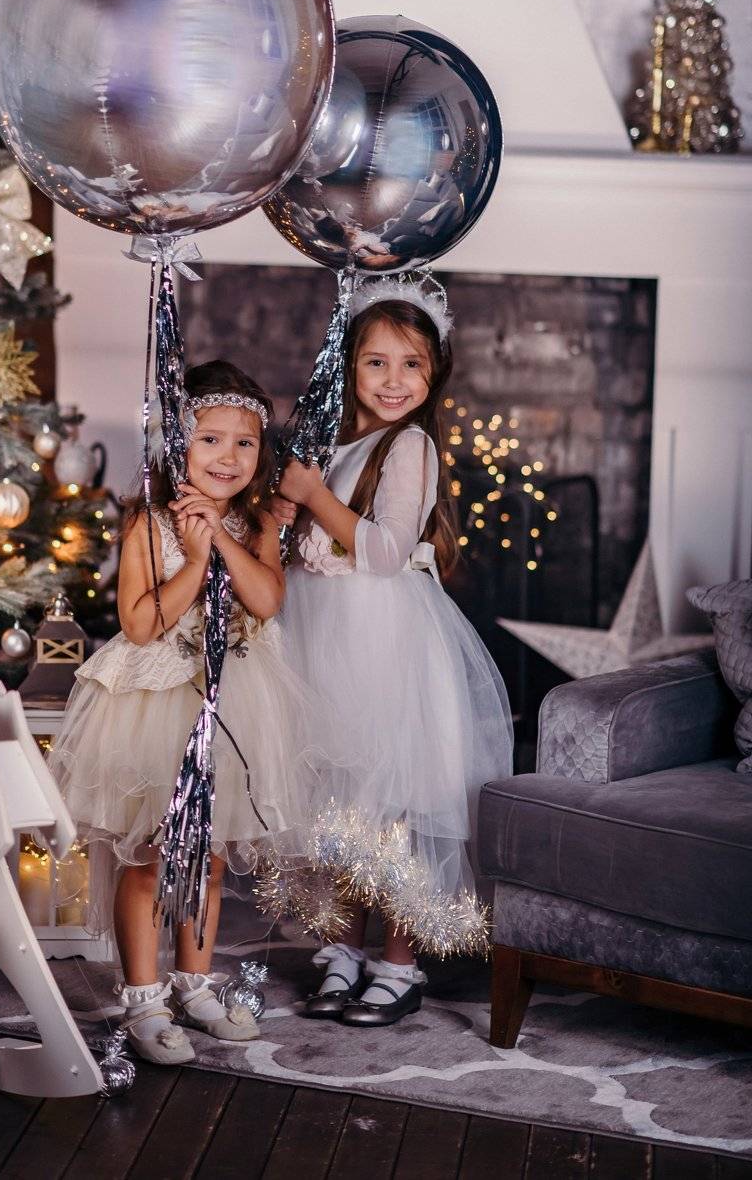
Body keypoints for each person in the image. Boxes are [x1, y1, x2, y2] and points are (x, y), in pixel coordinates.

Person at [49, 361, 310, 1065]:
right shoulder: (147, 521)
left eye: (245, 443)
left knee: (211, 858)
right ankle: (143, 997)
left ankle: (194, 985)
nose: (228, 456)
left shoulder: (258, 522)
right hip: (155, 706)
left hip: (232, 707)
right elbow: (140, 625)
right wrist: (194, 560)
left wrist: (220, 537)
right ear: (177, 446)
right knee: (152, 857)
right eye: (210, 439)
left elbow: (266, 601)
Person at [273, 273, 513, 1027]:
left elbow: (382, 553)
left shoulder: (410, 445)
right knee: (344, 803)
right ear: (350, 366)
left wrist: (313, 497)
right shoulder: (338, 444)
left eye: (412, 364)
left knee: (396, 806)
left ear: (435, 372)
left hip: (385, 645)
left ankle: (400, 963)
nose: (393, 379)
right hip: (324, 641)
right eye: (376, 362)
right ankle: (344, 951)